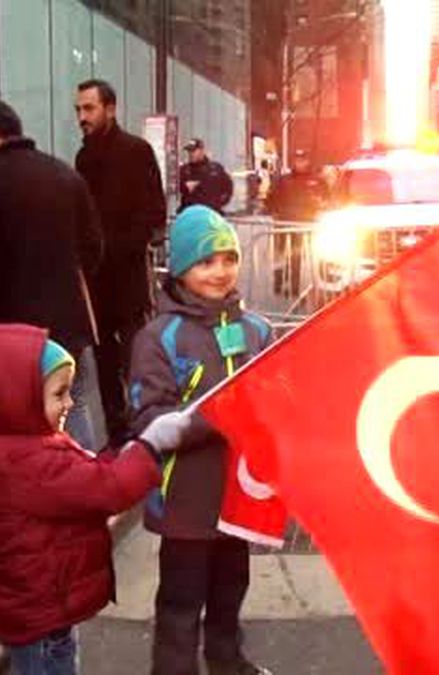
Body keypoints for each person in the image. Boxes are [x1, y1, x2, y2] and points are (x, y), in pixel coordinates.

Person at [0, 323, 193, 675]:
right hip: (43, 623)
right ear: (19, 398)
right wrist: (148, 447)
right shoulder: (28, 461)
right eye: (59, 393)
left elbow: (85, 477)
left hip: (44, 612)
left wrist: (121, 454)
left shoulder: (26, 446)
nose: (69, 402)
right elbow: (108, 490)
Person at [130, 206, 275, 675]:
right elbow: (149, 419)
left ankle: (227, 661)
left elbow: (279, 394)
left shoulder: (257, 330)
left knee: (231, 592)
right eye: (205, 262)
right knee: (180, 603)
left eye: (228, 258)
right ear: (181, 269)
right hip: (185, 505)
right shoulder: (159, 337)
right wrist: (222, 416)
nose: (220, 271)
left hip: (238, 503)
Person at [0, 99, 107, 450]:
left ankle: (38, 494)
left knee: (19, 416)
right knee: (75, 403)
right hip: (69, 319)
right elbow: (94, 246)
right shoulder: (63, 174)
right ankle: (85, 485)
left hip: (13, 328)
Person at [73, 79, 167, 446]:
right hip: (95, 284)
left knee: (136, 361)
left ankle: (147, 433)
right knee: (104, 364)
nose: (82, 117)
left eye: (89, 108)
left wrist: (121, 247)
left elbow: (154, 212)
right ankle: (117, 435)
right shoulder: (82, 158)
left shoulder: (137, 151)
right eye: (79, 109)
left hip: (127, 280)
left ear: (110, 109)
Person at [264, 150, 328, 296]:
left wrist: (320, 206)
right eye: (297, 160)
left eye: (303, 160)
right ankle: (281, 283)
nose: (300, 163)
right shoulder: (283, 180)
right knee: (283, 255)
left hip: (306, 224)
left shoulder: (316, 180)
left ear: (308, 161)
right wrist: (274, 212)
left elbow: (326, 198)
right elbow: (271, 198)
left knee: (301, 257)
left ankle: (299, 287)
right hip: (285, 223)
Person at [178, 138, 234, 214]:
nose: (191, 154)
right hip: (191, 213)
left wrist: (218, 203)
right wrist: (186, 188)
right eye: (189, 151)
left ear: (201, 151)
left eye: (193, 151)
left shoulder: (215, 169)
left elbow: (228, 187)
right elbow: (177, 190)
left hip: (211, 212)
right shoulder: (184, 170)